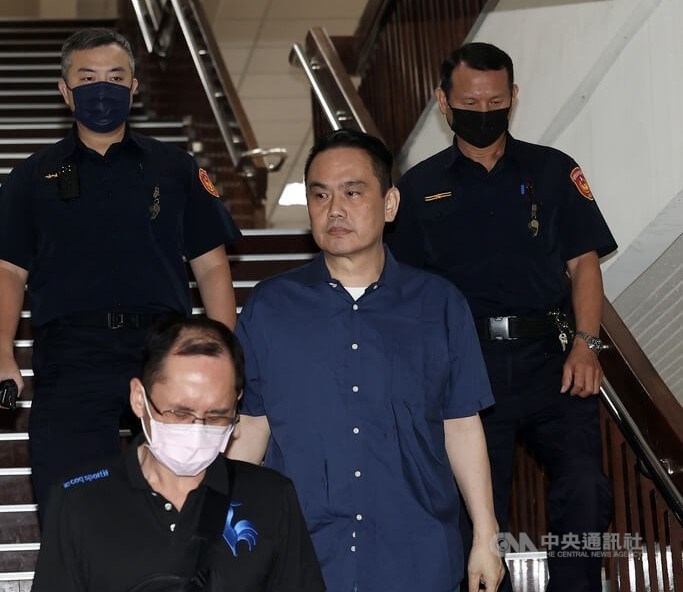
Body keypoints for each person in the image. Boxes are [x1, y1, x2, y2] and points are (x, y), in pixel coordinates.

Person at [229, 129, 504, 592]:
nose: (335, 209)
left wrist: (486, 535)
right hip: (299, 555)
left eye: (353, 192)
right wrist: (226, 527)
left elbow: (460, 423)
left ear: (390, 203)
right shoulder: (270, 307)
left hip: (416, 554)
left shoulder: (439, 304)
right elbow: (253, 427)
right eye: (320, 195)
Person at [385, 42, 616, 592]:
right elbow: (404, 294)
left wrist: (587, 343)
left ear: (513, 97)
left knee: (586, 489)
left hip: (551, 360)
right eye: (470, 101)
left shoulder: (554, 170)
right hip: (465, 368)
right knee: (477, 509)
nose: (483, 112)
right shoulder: (417, 188)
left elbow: (584, 262)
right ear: (444, 102)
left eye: (495, 101)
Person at [0, 28, 240, 511]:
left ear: (134, 86)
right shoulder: (31, 177)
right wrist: (1, 350)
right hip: (71, 355)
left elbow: (212, 267)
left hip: (161, 350)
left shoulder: (176, 168)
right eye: (87, 78)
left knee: (179, 495)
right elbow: (9, 271)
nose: (102, 88)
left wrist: (222, 353)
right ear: (65, 91)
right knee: (70, 500)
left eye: (115, 76)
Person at [32, 316, 326, 592]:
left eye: (216, 416)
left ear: (236, 404)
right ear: (139, 399)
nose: (197, 429)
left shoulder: (271, 497)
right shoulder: (79, 500)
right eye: (180, 413)